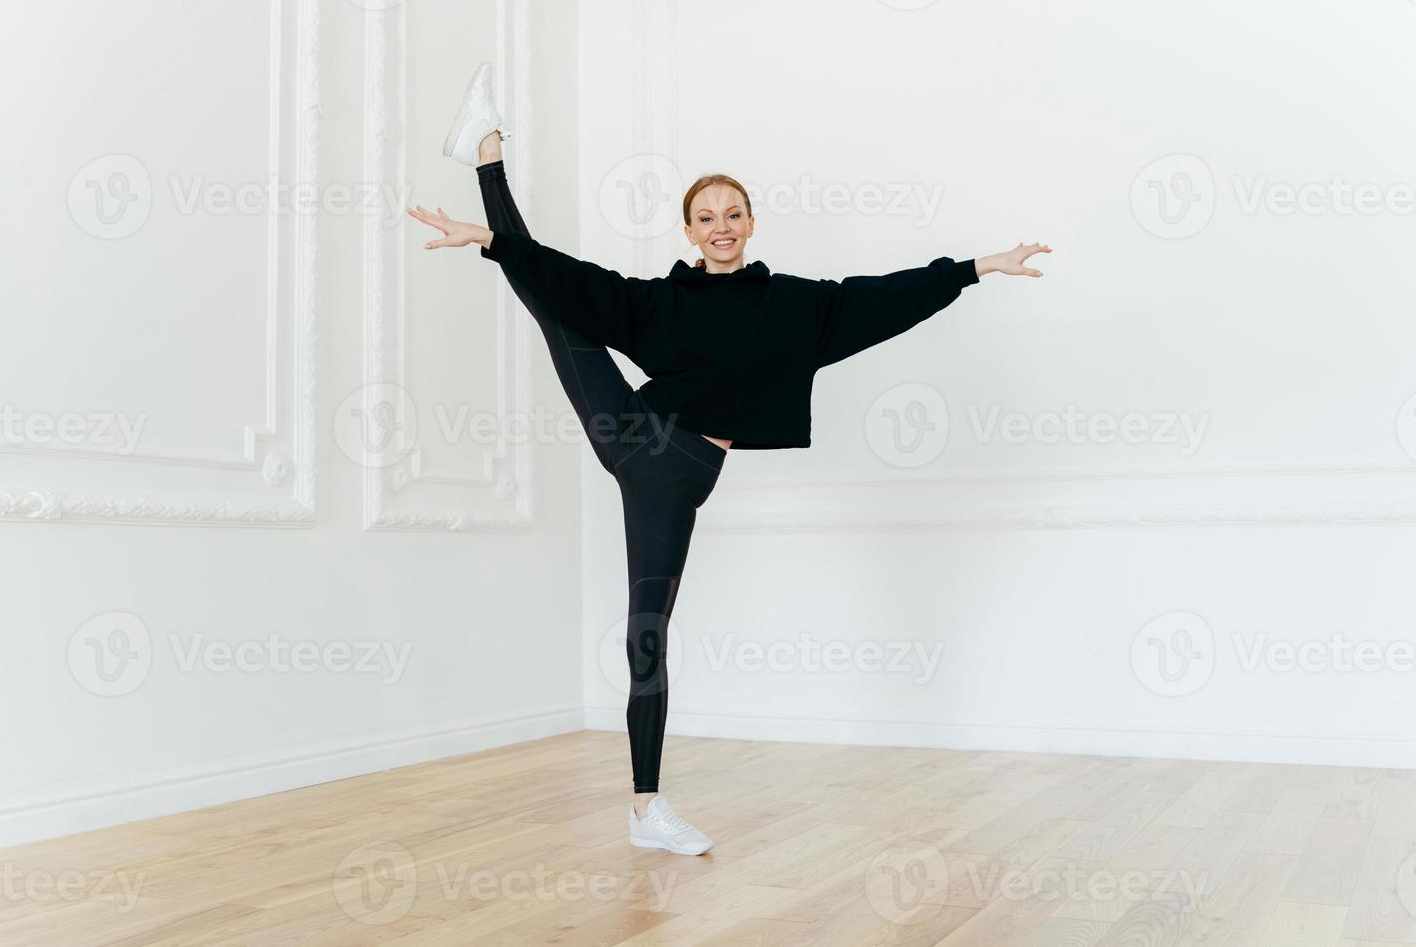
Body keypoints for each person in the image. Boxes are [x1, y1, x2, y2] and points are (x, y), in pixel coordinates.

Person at [409, 62, 1051, 856]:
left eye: (732, 214)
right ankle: (488, 152)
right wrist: (496, 243)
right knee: (557, 305)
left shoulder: (795, 306)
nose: (720, 225)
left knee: (648, 632)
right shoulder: (661, 303)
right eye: (705, 216)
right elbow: (580, 282)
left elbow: (881, 298)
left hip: (683, 482)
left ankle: (644, 813)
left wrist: (976, 268)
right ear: (688, 231)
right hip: (640, 442)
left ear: (749, 223)